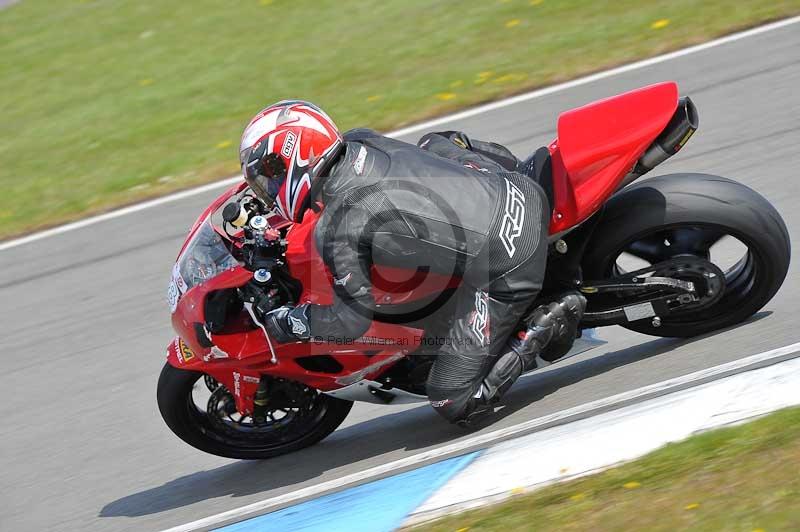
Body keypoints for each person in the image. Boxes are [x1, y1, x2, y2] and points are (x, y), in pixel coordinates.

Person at [239, 100, 585, 426]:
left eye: (270, 173)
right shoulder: (360, 141)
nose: (268, 186)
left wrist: (292, 322)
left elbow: (350, 324)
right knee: (434, 143)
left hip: (509, 256)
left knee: (451, 399)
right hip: (515, 187)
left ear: (298, 158)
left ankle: (548, 322)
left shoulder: (338, 229)